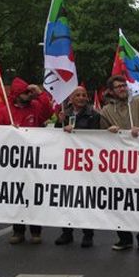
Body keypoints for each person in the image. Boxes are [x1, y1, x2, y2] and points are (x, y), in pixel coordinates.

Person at [100, 75, 139, 253]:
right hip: (119, 165)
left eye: (124, 86)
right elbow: (97, 136)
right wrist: (108, 131)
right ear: (111, 91)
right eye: (118, 87)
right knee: (119, 201)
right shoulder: (105, 111)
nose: (122, 89)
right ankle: (124, 238)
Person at [0, 77, 53, 244]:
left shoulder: (35, 107)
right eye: (26, 92)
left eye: (29, 91)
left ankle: (36, 231)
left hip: (34, 160)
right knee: (17, 195)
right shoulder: (6, 111)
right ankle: (18, 231)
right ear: (18, 94)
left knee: (34, 196)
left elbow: (48, 113)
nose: (29, 94)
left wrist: (40, 94)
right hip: (14, 161)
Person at [54, 86, 100, 248]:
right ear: (71, 98)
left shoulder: (93, 114)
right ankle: (66, 232)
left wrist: (76, 131)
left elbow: (95, 136)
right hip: (68, 164)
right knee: (67, 198)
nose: (81, 97)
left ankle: (88, 234)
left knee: (86, 199)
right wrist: (60, 123)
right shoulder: (64, 113)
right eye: (78, 95)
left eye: (84, 95)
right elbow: (56, 137)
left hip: (86, 163)